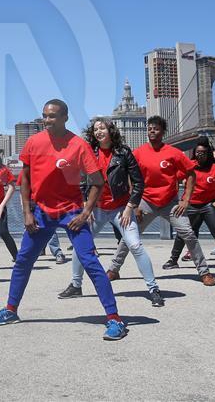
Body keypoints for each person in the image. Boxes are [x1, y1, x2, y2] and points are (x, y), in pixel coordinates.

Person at [0, 99, 128, 340]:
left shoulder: (79, 145)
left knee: (90, 262)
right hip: (41, 212)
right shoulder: (33, 142)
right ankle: (11, 310)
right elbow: (25, 180)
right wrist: (27, 212)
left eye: (52, 116)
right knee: (23, 261)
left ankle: (115, 319)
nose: (46, 120)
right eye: (44, 115)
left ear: (64, 118)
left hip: (71, 212)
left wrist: (85, 213)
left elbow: (98, 182)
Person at [56, 118, 163, 306]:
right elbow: (82, 182)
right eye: (95, 129)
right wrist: (86, 207)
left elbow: (138, 183)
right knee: (80, 244)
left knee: (135, 245)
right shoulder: (89, 152)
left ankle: (153, 289)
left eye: (102, 128)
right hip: (96, 209)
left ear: (110, 130)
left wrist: (130, 207)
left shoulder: (124, 152)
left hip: (121, 209)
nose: (98, 131)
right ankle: (76, 285)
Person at [108, 116, 215, 286]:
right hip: (145, 201)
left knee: (188, 233)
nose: (152, 131)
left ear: (163, 132)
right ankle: (114, 269)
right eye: (150, 128)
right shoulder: (138, 153)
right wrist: (134, 204)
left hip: (170, 203)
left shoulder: (173, 152)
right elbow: (130, 177)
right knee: (129, 235)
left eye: (156, 128)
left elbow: (191, 173)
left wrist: (186, 200)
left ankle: (204, 272)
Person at [165, 140, 215, 274]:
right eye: (198, 152)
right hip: (190, 205)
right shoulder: (189, 165)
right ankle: (173, 260)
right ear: (195, 153)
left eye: (203, 152)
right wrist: (176, 198)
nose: (200, 154)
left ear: (208, 154)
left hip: (208, 205)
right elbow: (174, 179)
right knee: (182, 233)